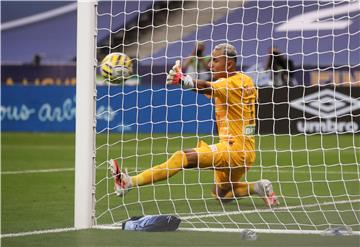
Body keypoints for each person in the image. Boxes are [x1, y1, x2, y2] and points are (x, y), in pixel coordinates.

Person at [109, 43, 279, 207]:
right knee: (221, 194)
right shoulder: (245, 80)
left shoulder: (229, 84)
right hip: (246, 153)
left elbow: (205, 86)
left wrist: (183, 80)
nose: (211, 65)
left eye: (215, 60)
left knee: (182, 157)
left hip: (232, 150)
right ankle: (258, 187)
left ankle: (128, 182)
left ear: (229, 63)